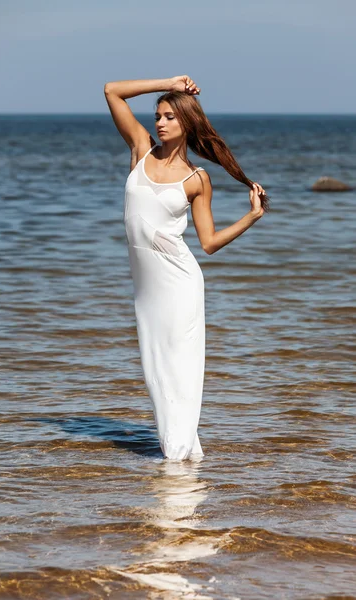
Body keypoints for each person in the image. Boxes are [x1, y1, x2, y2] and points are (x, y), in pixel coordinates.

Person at [104, 75, 268, 461]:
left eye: (169, 117)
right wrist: (170, 81)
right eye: (157, 115)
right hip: (147, 289)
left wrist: (251, 218)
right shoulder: (141, 149)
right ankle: (184, 454)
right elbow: (111, 90)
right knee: (154, 371)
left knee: (178, 371)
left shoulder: (197, 179)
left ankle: (175, 458)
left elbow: (208, 243)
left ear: (186, 124)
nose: (159, 123)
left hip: (180, 283)